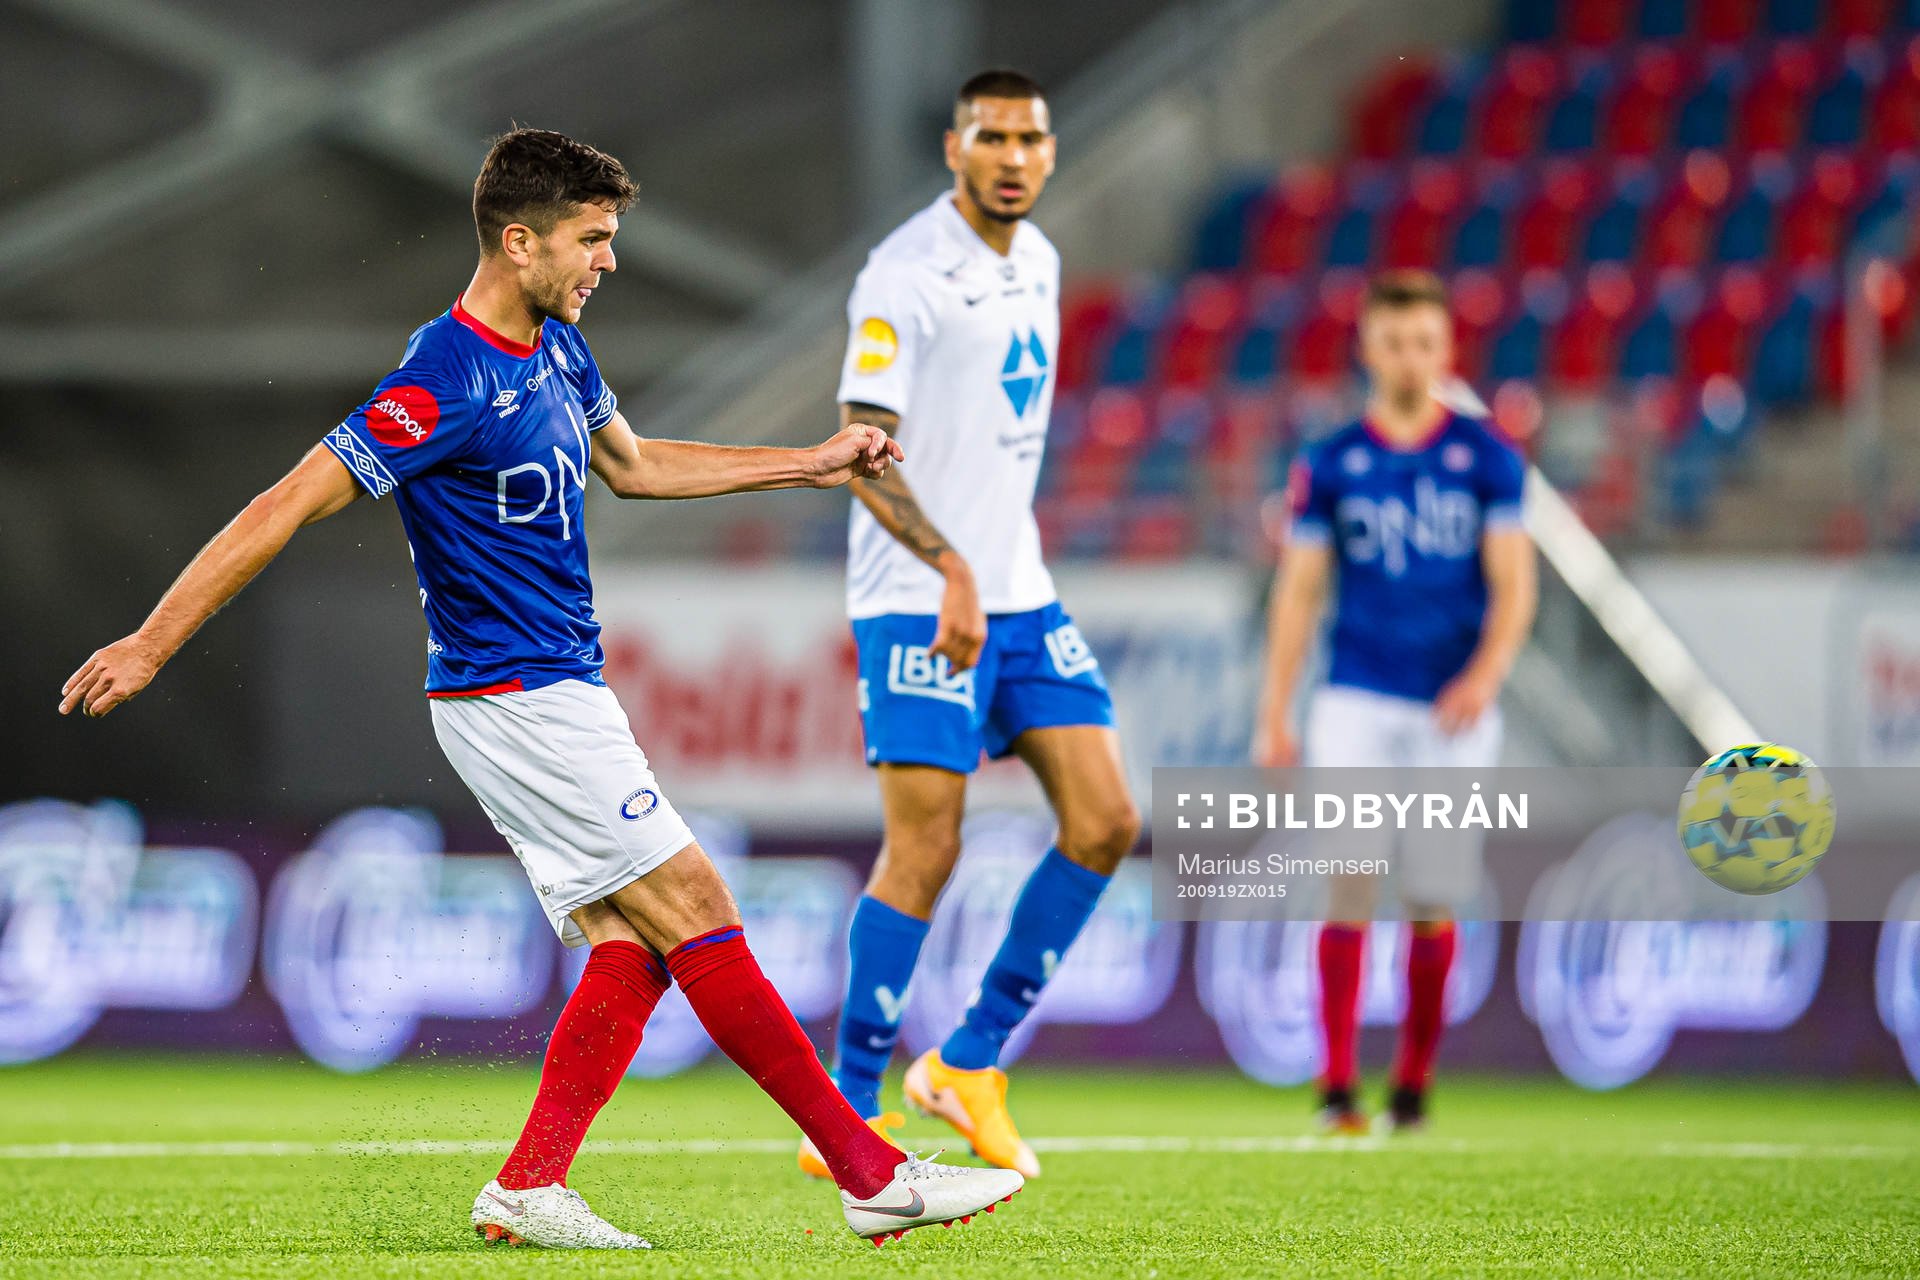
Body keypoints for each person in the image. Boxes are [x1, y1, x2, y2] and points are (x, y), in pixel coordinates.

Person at [58, 127, 1021, 1250]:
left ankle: (529, 1183)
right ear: (519, 243)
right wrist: (153, 640)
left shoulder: (560, 352)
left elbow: (637, 463)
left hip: (560, 683)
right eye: (591, 239)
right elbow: (283, 502)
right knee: (698, 906)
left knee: (637, 937)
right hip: (512, 695)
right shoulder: (442, 377)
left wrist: (805, 461)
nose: (607, 261)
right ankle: (872, 1170)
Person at [802, 70, 1141, 1183]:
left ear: (1049, 153)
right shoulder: (904, 276)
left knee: (1104, 818)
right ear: (954, 147)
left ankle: (970, 1061)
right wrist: (947, 565)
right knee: (928, 845)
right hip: (914, 594)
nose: (1011, 156)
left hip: (1022, 592)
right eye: (989, 137)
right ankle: (848, 1106)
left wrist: (990, 568)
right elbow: (862, 445)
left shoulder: (1036, 259)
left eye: (1029, 139)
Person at [1252, 269, 1537, 1133]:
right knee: (1352, 877)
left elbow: (1515, 585)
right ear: (1368, 349)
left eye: (1424, 342)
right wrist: (1275, 712)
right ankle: (1337, 1086)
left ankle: (1412, 1084)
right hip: (1357, 694)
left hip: (1452, 705)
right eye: (1393, 341)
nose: (1409, 358)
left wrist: (1485, 674)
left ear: (1446, 350)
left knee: (1433, 889)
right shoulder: (1331, 462)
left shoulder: (1489, 457)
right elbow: (1299, 591)